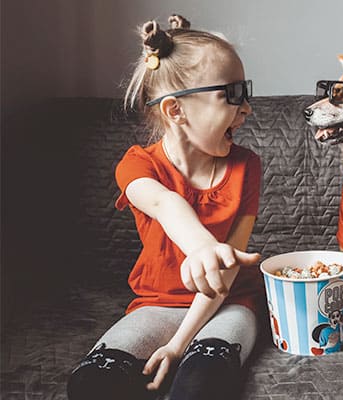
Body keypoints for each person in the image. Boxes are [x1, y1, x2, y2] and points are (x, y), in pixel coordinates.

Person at [67, 14, 263, 400]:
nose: (247, 110)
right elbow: (163, 201)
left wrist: (179, 345)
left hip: (228, 304)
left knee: (203, 382)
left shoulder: (247, 166)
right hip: (155, 305)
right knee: (91, 384)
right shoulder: (137, 165)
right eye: (232, 95)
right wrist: (202, 247)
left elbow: (220, 283)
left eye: (247, 93)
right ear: (176, 110)